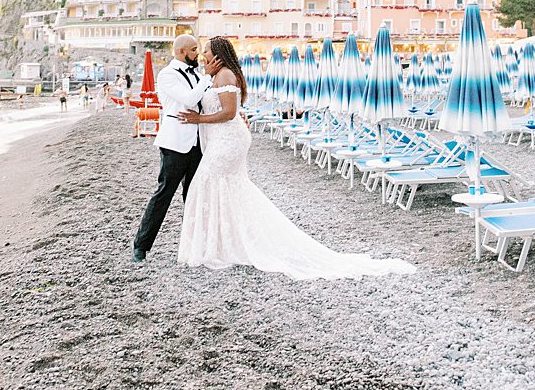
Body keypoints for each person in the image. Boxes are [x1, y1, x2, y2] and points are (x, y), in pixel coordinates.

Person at [175, 36, 414, 280]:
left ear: (217, 54)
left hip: (228, 141)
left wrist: (199, 120)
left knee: (208, 182)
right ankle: (224, 243)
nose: (202, 55)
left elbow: (228, 112)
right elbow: (226, 108)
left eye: (205, 51)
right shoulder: (216, 75)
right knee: (223, 187)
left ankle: (224, 245)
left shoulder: (225, 75)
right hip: (223, 139)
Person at [131, 34, 210, 261]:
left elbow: (202, 102)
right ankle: (141, 245)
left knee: (193, 195)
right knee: (164, 193)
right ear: (182, 51)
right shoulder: (166, 75)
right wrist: (206, 79)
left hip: (198, 142)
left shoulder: (195, 74)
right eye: (194, 49)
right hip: (175, 143)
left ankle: (193, 245)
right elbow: (188, 99)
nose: (198, 53)